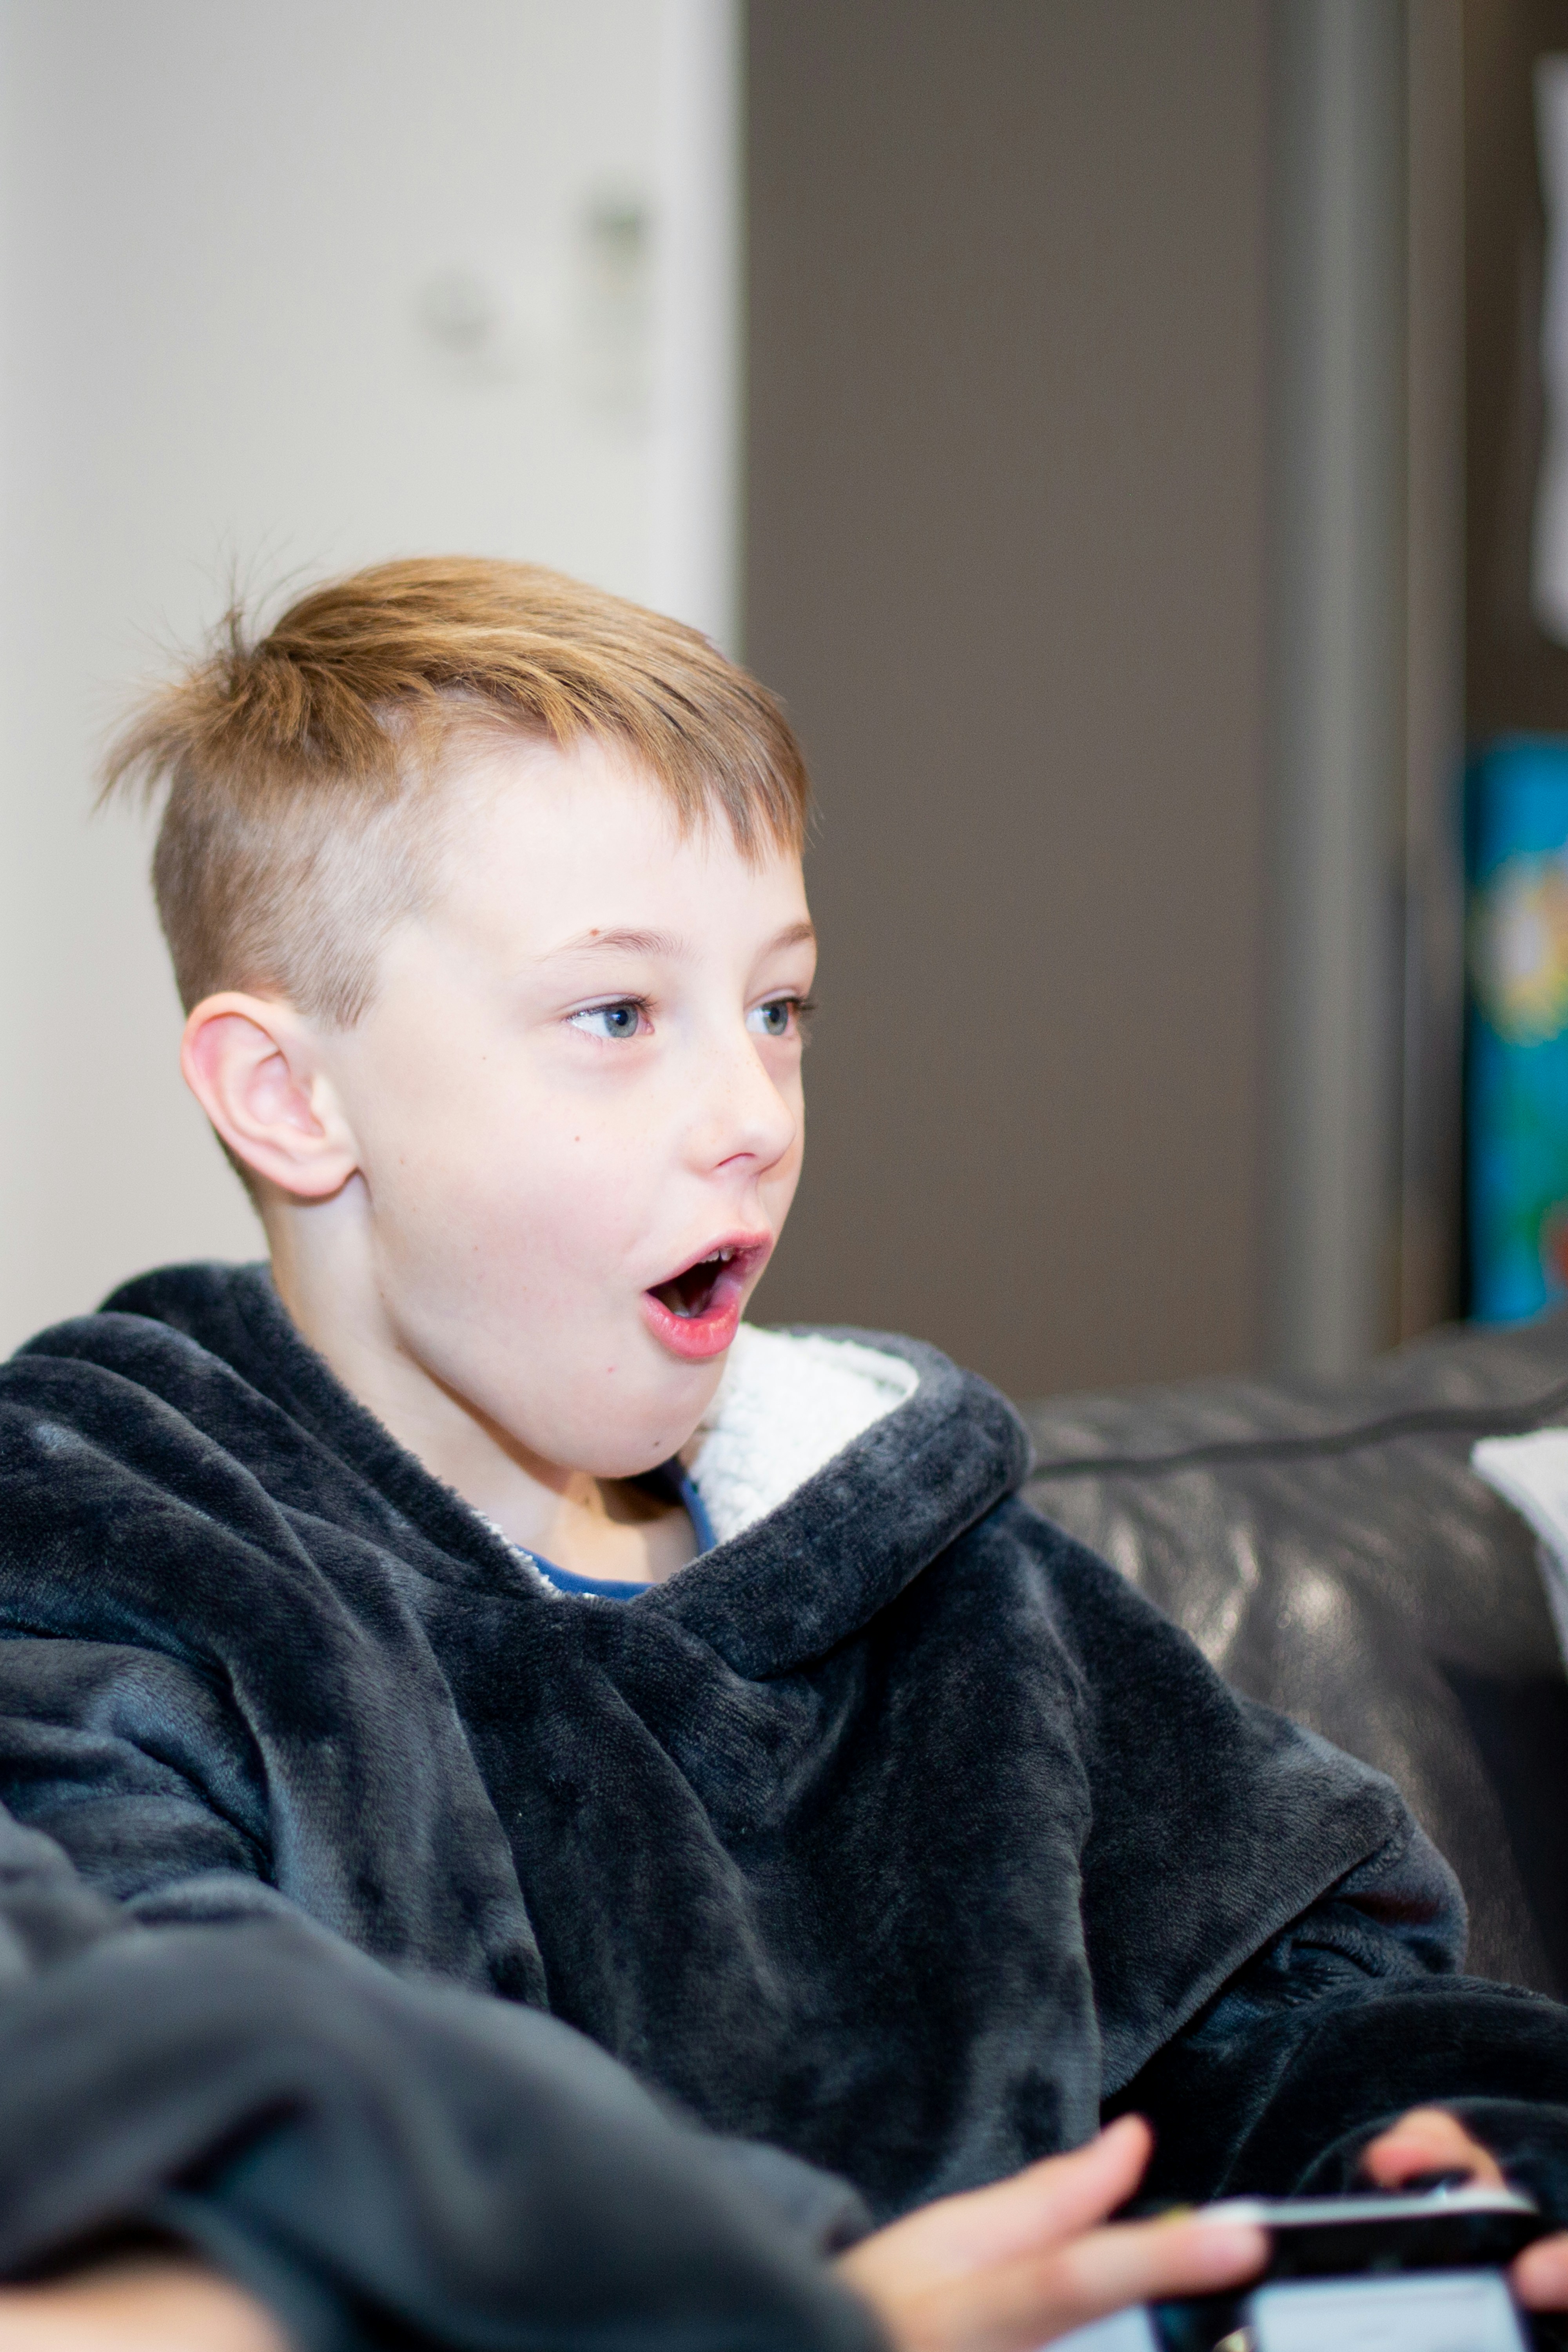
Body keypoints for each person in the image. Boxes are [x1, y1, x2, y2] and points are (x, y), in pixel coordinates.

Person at [5, 557, 1568, 2352]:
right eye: (616, 1018)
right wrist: (775, 2308)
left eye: (779, 1010)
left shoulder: (922, 1555)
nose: (753, 1118)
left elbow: (1293, 1987)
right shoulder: (110, 1558)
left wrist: (1430, 2154)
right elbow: (187, 2110)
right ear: (291, 1098)